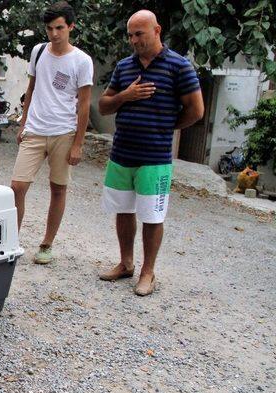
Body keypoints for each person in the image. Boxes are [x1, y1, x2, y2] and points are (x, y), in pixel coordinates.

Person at [98, 10, 204, 296]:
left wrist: (165, 129)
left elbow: (196, 110)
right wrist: (125, 96)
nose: (134, 40)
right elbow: (104, 105)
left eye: (139, 34)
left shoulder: (179, 66)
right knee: (123, 211)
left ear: (157, 30)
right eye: (130, 35)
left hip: (154, 157)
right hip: (122, 153)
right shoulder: (124, 66)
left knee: (152, 216)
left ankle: (148, 272)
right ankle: (126, 263)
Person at [10, 1, 93, 264]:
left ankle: (46, 244)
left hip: (64, 132)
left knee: (58, 188)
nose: (54, 34)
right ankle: (11, 241)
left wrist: (78, 143)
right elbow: (31, 89)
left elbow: (84, 103)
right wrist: (23, 123)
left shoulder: (81, 60)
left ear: (71, 26)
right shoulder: (38, 51)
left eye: (59, 28)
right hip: (35, 129)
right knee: (17, 187)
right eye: (49, 28)